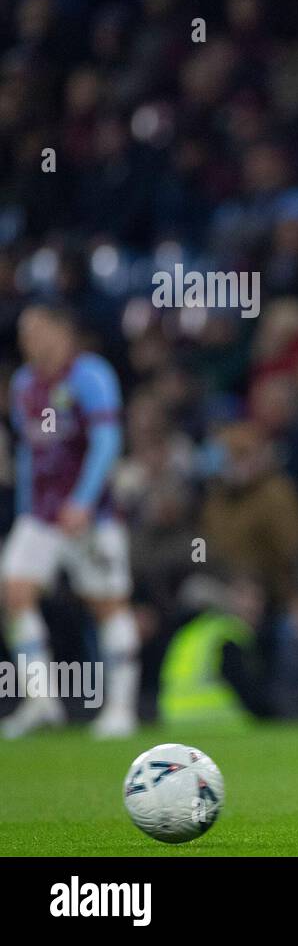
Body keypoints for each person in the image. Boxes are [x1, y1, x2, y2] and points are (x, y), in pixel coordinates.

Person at [2, 304, 140, 739]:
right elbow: (30, 452)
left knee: (107, 604)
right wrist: (25, 508)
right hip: (41, 515)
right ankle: (42, 701)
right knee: (14, 591)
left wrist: (83, 500)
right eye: (24, 333)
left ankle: (121, 708)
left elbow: (107, 440)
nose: (28, 341)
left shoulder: (90, 375)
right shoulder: (25, 384)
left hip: (89, 515)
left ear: (62, 332)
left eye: (36, 330)